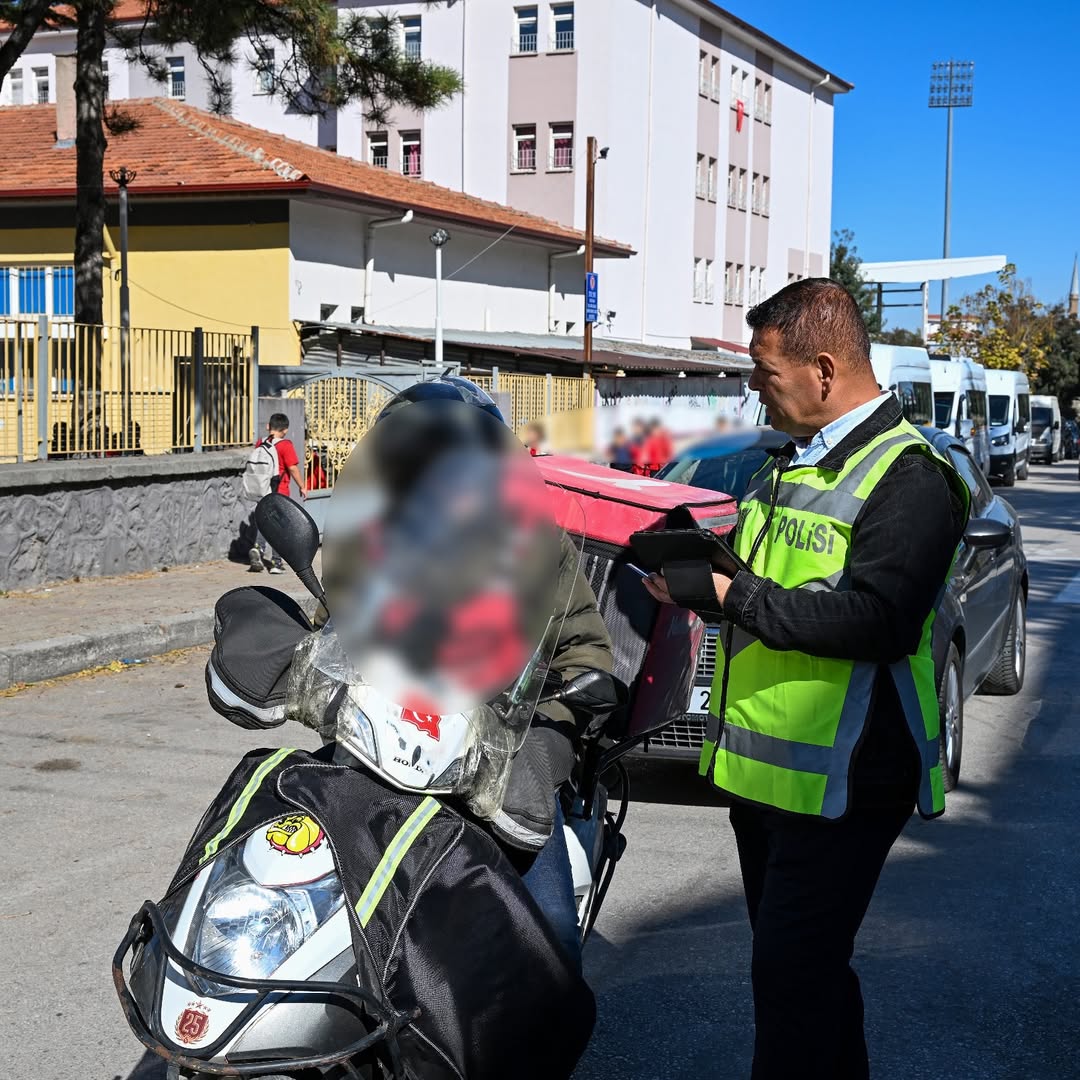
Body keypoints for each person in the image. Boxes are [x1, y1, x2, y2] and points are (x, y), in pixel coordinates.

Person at [643, 279, 969, 1080]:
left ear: (825, 369)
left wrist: (734, 595)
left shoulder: (913, 477)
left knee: (791, 977)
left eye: (766, 372)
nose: (756, 390)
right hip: (769, 777)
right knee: (801, 978)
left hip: (850, 780)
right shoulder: (787, 463)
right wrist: (697, 580)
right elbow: (771, 585)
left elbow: (879, 622)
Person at [361, 376, 613, 971]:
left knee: (548, 944)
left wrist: (542, 751)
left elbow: (587, 657)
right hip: (376, 754)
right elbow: (331, 634)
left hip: (497, 771)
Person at [250, 413, 306, 575]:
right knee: (280, 528)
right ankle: (276, 562)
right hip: (279, 492)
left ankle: (258, 548)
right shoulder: (285, 445)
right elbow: (293, 468)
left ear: (269, 426)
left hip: (263, 490)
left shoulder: (262, 442)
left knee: (265, 522)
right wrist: (302, 486)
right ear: (285, 429)